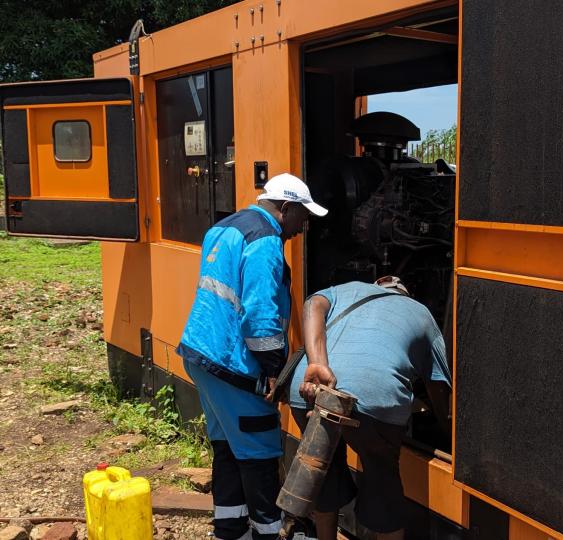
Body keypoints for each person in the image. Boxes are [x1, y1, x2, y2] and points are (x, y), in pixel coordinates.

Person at [178, 173, 328, 540]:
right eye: (302, 218)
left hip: (201, 354)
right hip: (234, 366)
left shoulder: (225, 226)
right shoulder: (265, 241)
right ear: (286, 208)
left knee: (228, 449)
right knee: (259, 454)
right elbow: (259, 315)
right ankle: (267, 532)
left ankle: (230, 529)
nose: (302, 228)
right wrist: (275, 371)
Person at [288, 276, 452, 540]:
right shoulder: (421, 313)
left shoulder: (346, 288)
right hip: (372, 398)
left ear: (375, 286)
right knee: (381, 481)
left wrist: (318, 363)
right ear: (405, 294)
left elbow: (313, 303)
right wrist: (448, 431)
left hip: (307, 388)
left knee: (324, 470)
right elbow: (438, 388)